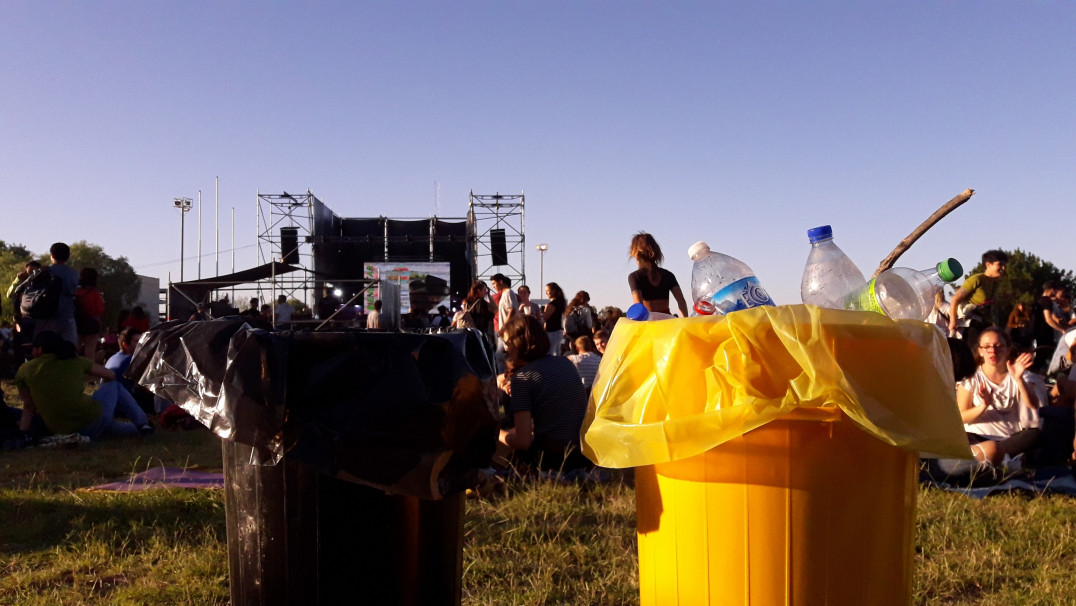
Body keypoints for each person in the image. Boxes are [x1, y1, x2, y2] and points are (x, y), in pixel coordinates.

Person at [16, 330, 152, 439]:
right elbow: (111, 375)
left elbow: (29, 407)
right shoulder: (76, 361)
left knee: (110, 426)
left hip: (62, 431)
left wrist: (23, 434)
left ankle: (142, 427)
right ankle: (143, 424)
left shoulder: (25, 370)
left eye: (33, 348)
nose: (32, 352)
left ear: (39, 349)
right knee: (114, 386)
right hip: (91, 420)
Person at [496, 315, 591, 472]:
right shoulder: (564, 362)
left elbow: (522, 442)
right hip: (583, 454)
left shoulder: (523, 378)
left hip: (553, 459)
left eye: (507, 343)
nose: (506, 348)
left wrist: (495, 432)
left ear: (520, 343)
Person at [956, 327, 1040, 467]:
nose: (993, 351)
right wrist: (983, 406)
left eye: (998, 346)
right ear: (980, 351)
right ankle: (999, 459)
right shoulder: (971, 378)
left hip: (1009, 440)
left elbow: (1033, 404)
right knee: (960, 439)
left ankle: (991, 456)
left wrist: (1019, 380)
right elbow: (961, 417)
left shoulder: (1018, 373)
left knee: (1034, 435)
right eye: (987, 347)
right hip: (975, 437)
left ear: (1007, 350)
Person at [948, 249, 1008, 341]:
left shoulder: (996, 283)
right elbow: (955, 299)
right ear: (988, 264)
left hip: (987, 326)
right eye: (1000, 264)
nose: (1003, 268)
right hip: (971, 326)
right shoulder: (976, 279)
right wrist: (952, 321)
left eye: (1004, 265)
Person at [628, 232, 690, 318]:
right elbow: (681, 301)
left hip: (649, 322)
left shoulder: (635, 277)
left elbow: (639, 308)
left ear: (637, 255)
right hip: (667, 321)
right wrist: (684, 322)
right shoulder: (668, 275)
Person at [35, 242, 80, 347]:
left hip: (46, 315)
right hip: (66, 314)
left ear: (52, 255)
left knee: (45, 347)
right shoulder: (73, 274)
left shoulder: (45, 272)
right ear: (68, 257)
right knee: (68, 347)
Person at [1030, 281, 1070, 373]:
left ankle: (1036, 375)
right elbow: (1048, 319)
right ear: (1052, 290)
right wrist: (1062, 329)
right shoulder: (1047, 301)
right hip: (1045, 333)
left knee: (1041, 357)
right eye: (1055, 290)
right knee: (1048, 356)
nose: (1056, 293)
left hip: (1037, 332)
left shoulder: (1038, 301)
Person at [74, 267, 105, 363]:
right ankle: (89, 371)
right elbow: (99, 309)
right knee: (90, 350)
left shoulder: (76, 291)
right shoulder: (94, 292)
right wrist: (103, 302)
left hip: (77, 322)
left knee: (75, 347)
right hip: (92, 323)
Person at [491, 274, 518, 373]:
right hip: (505, 330)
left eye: (494, 283)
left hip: (508, 330)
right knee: (500, 355)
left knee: (502, 355)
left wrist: (504, 327)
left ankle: (507, 376)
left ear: (500, 281)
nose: (493, 286)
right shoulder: (504, 294)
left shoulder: (508, 293)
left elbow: (512, 311)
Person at [542, 282, 567, 356]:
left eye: (548, 290)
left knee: (550, 352)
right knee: (557, 352)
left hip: (552, 331)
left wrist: (545, 310)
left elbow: (545, 318)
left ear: (553, 291)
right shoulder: (561, 302)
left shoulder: (553, 304)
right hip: (558, 330)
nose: (546, 292)